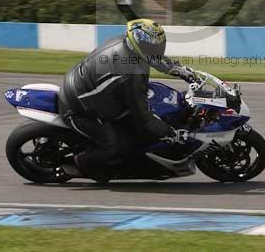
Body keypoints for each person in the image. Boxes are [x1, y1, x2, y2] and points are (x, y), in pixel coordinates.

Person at [58, 18, 193, 181]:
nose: (157, 49)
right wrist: (170, 133)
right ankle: (84, 164)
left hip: (88, 90)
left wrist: (182, 71)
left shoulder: (126, 44)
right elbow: (143, 118)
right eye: (153, 46)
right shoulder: (131, 73)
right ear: (140, 45)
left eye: (159, 45)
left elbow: (155, 59)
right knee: (117, 145)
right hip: (77, 108)